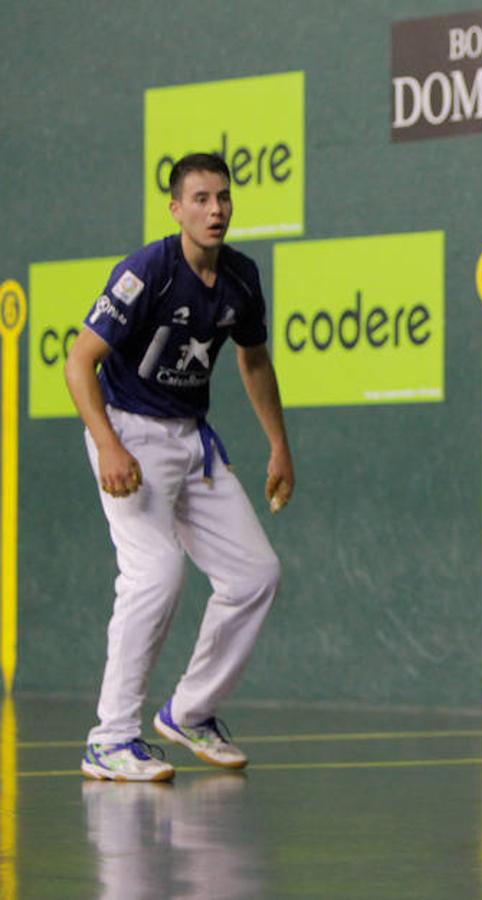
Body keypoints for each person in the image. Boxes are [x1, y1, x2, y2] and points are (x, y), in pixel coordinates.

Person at [66, 152, 294, 782]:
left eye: (222, 197)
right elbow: (78, 362)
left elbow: (254, 362)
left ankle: (191, 711)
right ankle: (109, 740)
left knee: (256, 573)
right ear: (176, 208)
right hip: (130, 436)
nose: (214, 210)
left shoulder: (242, 279)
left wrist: (278, 445)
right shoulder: (148, 271)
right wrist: (108, 444)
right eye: (200, 199)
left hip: (194, 441)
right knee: (156, 573)